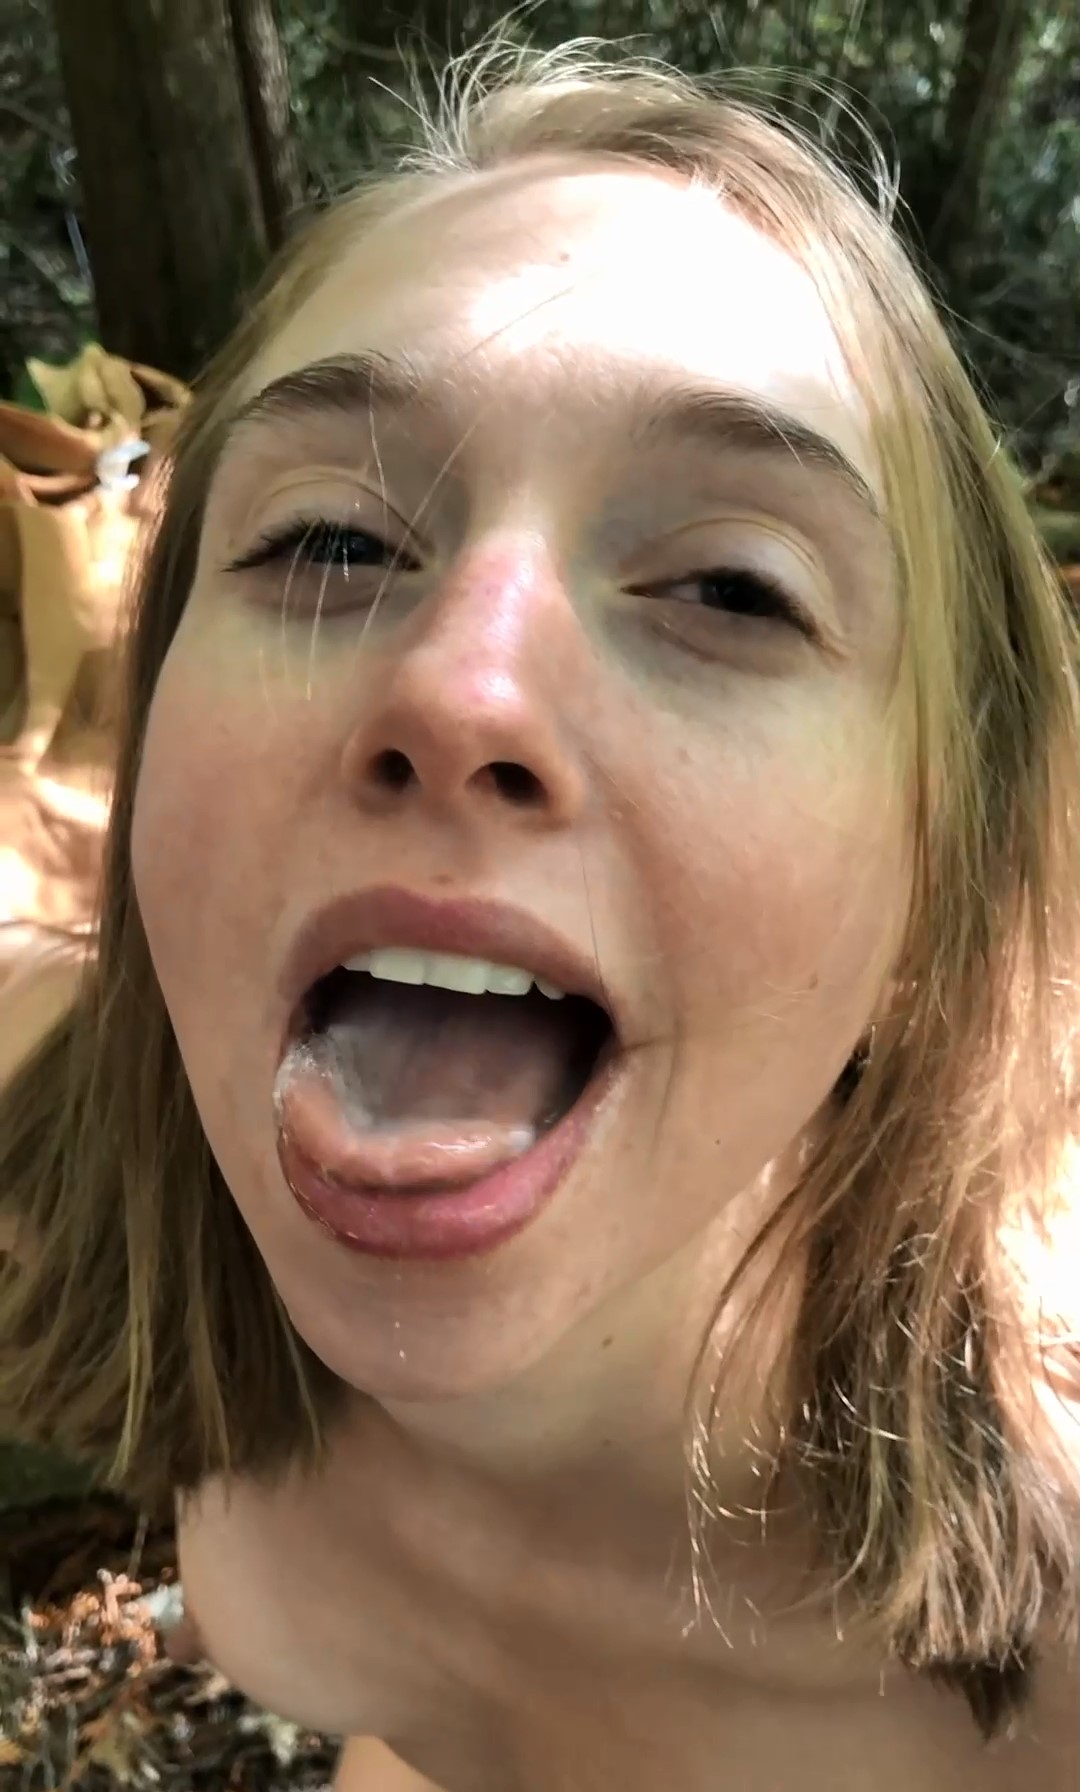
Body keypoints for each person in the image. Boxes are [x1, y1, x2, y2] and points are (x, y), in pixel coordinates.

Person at [3, 38, 1079, 1792]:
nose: (461, 688)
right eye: (331, 542)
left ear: (938, 878)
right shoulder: (58, 1127)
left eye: (732, 586)